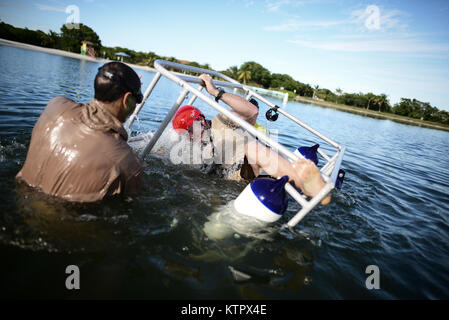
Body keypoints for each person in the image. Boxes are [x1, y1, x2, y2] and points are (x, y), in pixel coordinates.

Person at [172, 74, 330, 205]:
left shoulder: (221, 120)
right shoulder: (194, 151)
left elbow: (252, 111)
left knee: (253, 149)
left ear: (202, 119)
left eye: (192, 129)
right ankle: (298, 176)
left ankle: (308, 186)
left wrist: (215, 92)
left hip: (248, 169)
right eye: (187, 134)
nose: (192, 136)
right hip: (234, 185)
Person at [16, 62, 144, 202]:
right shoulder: (128, 162)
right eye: (136, 100)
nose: (135, 106)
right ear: (126, 100)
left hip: (20, 195)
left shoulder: (55, 105)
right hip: (59, 220)